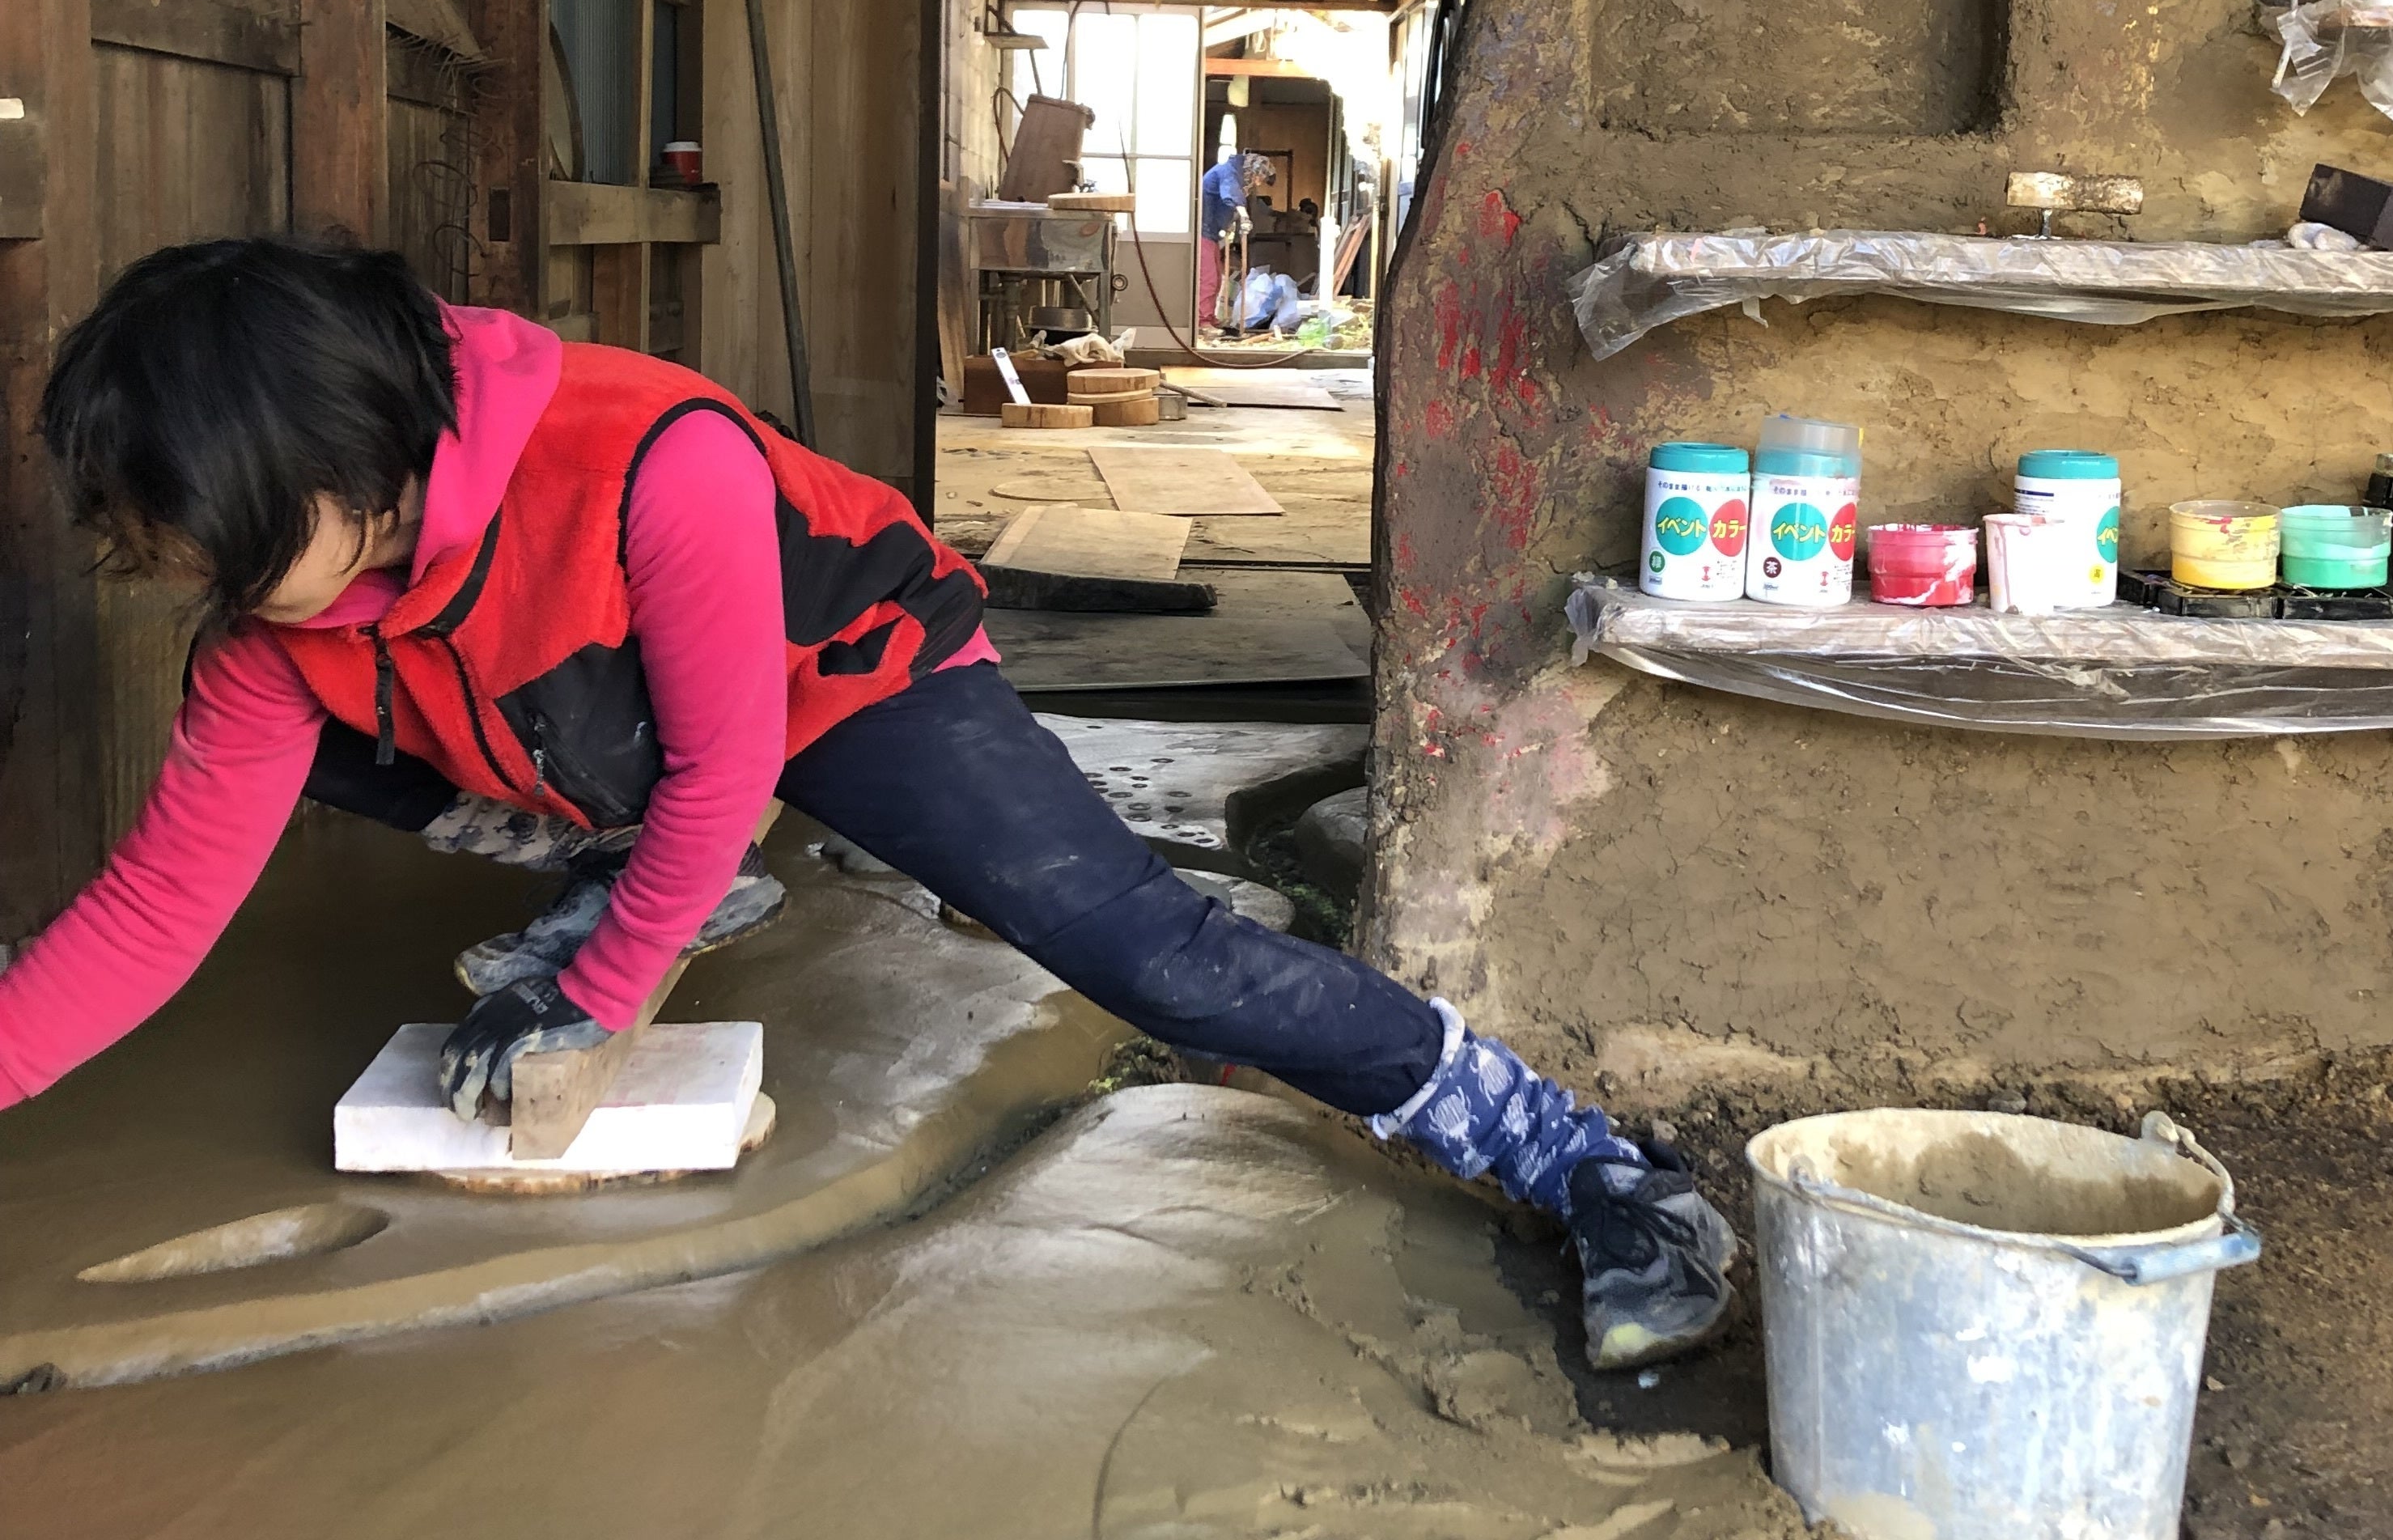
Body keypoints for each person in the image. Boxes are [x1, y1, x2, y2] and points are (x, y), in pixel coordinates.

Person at [0, 239, 1732, 1371]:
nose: (186, 584)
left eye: (205, 543)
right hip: (596, 742)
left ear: (338, 476)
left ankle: (1585, 1166)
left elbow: (727, 770)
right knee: (366, 749)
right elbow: (149, 919)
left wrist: (600, 996)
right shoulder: (269, 644)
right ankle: (644, 879)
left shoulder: (644, 459)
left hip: (845, 676)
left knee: (1146, 951)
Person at [1197, 146, 1275, 329]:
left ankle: (1209, 317)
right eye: (1258, 178)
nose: (1257, 183)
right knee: (1208, 278)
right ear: (1251, 171)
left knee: (1216, 278)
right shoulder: (1229, 172)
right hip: (1202, 231)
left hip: (1211, 232)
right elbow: (1230, 194)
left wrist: (1230, 222)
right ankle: (1202, 321)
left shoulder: (1233, 172)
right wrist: (1244, 216)